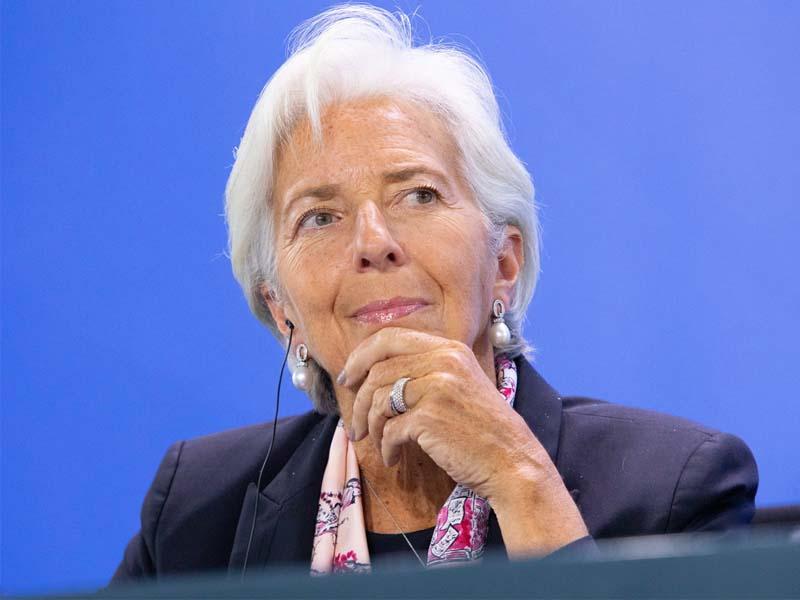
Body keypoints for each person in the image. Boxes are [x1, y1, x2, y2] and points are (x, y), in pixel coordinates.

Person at [111, 4, 757, 582]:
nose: (373, 241)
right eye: (320, 216)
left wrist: (520, 480)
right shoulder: (196, 513)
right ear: (282, 310)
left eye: (418, 195)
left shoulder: (673, 490)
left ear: (503, 262)